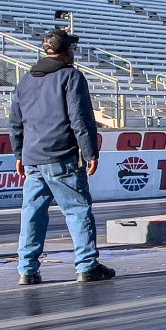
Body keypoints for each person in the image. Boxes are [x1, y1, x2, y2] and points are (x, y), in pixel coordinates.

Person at [9, 28, 115, 285]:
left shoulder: (26, 79)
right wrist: (91, 153)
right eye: (73, 50)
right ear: (66, 52)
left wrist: (18, 153)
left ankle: (27, 269)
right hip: (62, 157)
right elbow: (81, 118)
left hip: (33, 158)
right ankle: (87, 265)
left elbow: (15, 121)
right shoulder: (71, 76)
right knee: (77, 210)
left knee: (32, 214)